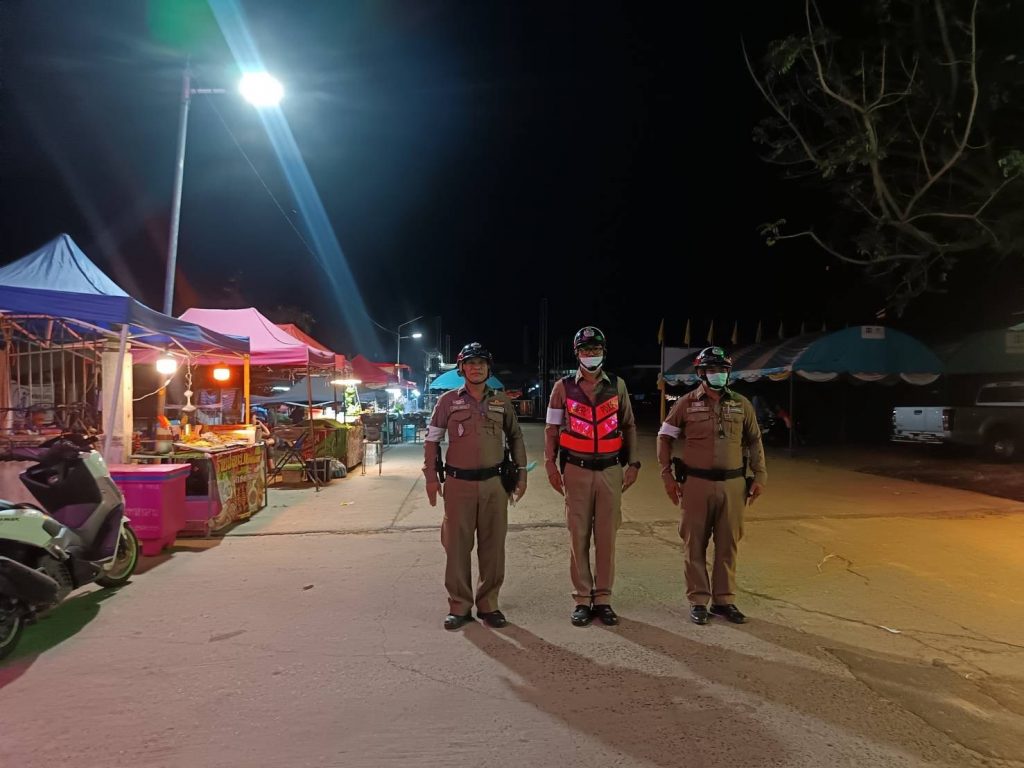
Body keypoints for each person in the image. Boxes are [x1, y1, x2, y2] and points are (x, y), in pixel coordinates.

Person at [656, 346, 766, 625]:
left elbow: (754, 440)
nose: (719, 374)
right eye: (713, 370)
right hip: (696, 484)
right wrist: (667, 475)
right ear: (701, 373)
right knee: (694, 544)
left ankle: (724, 600)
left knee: (728, 545)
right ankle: (698, 600)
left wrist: (760, 475)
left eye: (723, 369)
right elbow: (664, 437)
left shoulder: (741, 404)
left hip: (733, 484)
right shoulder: (686, 403)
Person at [423, 342, 527, 630]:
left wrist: (521, 474)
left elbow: (516, 438)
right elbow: (432, 440)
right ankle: (459, 606)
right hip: (458, 485)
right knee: (456, 547)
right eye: (470, 363)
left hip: (495, 484)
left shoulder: (502, 401)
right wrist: (431, 478)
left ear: (488, 368)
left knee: (493, 547)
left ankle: (489, 605)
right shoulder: (447, 402)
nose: (476, 367)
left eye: (481, 363)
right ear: (461, 368)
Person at [545, 326, 640, 627]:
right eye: (585, 350)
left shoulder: (618, 385)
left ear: (603, 352)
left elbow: (629, 425)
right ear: (577, 354)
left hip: (611, 470)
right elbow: (551, 429)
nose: (591, 355)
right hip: (576, 469)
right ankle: (582, 599)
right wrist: (550, 465)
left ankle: (603, 599)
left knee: (607, 536)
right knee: (579, 535)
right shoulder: (562, 388)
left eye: (595, 349)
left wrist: (634, 464)